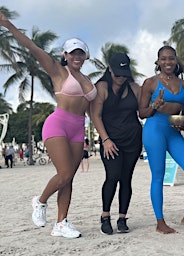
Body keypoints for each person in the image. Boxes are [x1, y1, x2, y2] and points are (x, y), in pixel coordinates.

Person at [1, 13, 97, 238]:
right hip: (58, 124)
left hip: (78, 127)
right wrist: (8, 25)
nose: (76, 56)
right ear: (65, 55)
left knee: (69, 178)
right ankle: (40, 200)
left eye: (80, 53)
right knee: (63, 174)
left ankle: (61, 223)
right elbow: (31, 47)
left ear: (85, 56)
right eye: (72, 53)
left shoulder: (88, 80)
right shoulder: (57, 70)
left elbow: (95, 108)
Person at [139, 45, 184, 234]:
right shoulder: (149, 83)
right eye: (163, 59)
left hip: (173, 132)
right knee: (158, 176)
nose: (168, 62)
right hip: (154, 130)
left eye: (171, 58)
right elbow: (142, 113)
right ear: (158, 62)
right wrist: (154, 106)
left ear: (176, 61)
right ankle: (160, 222)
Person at [90, 52, 142, 235]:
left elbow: (143, 112)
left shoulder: (135, 88)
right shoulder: (102, 87)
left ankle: (122, 217)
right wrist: (105, 140)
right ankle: (105, 216)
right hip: (110, 141)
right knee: (112, 176)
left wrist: (157, 105)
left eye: (124, 73)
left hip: (133, 140)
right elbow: (95, 115)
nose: (121, 77)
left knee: (126, 178)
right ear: (110, 69)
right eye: (117, 73)